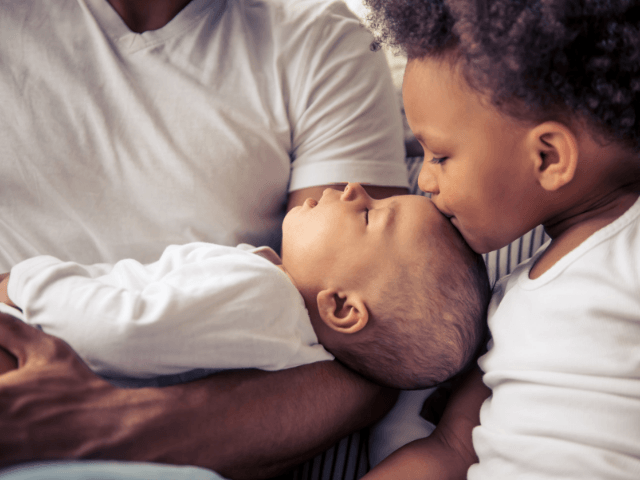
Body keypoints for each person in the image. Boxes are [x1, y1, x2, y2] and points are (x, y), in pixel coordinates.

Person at [0, 0, 412, 477]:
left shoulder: (318, 37)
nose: (355, 193)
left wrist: (93, 424)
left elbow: (374, 351)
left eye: (372, 214)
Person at [361, 0, 640, 478]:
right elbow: (452, 448)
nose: (424, 180)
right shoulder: (508, 296)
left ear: (549, 158)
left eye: (441, 156)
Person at [0, 183, 489, 391]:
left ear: (340, 306)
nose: (356, 189)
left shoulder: (262, 293)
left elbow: (120, 331)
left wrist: (23, 283)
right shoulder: (287, 337)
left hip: (28, 336)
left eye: (368, 215)